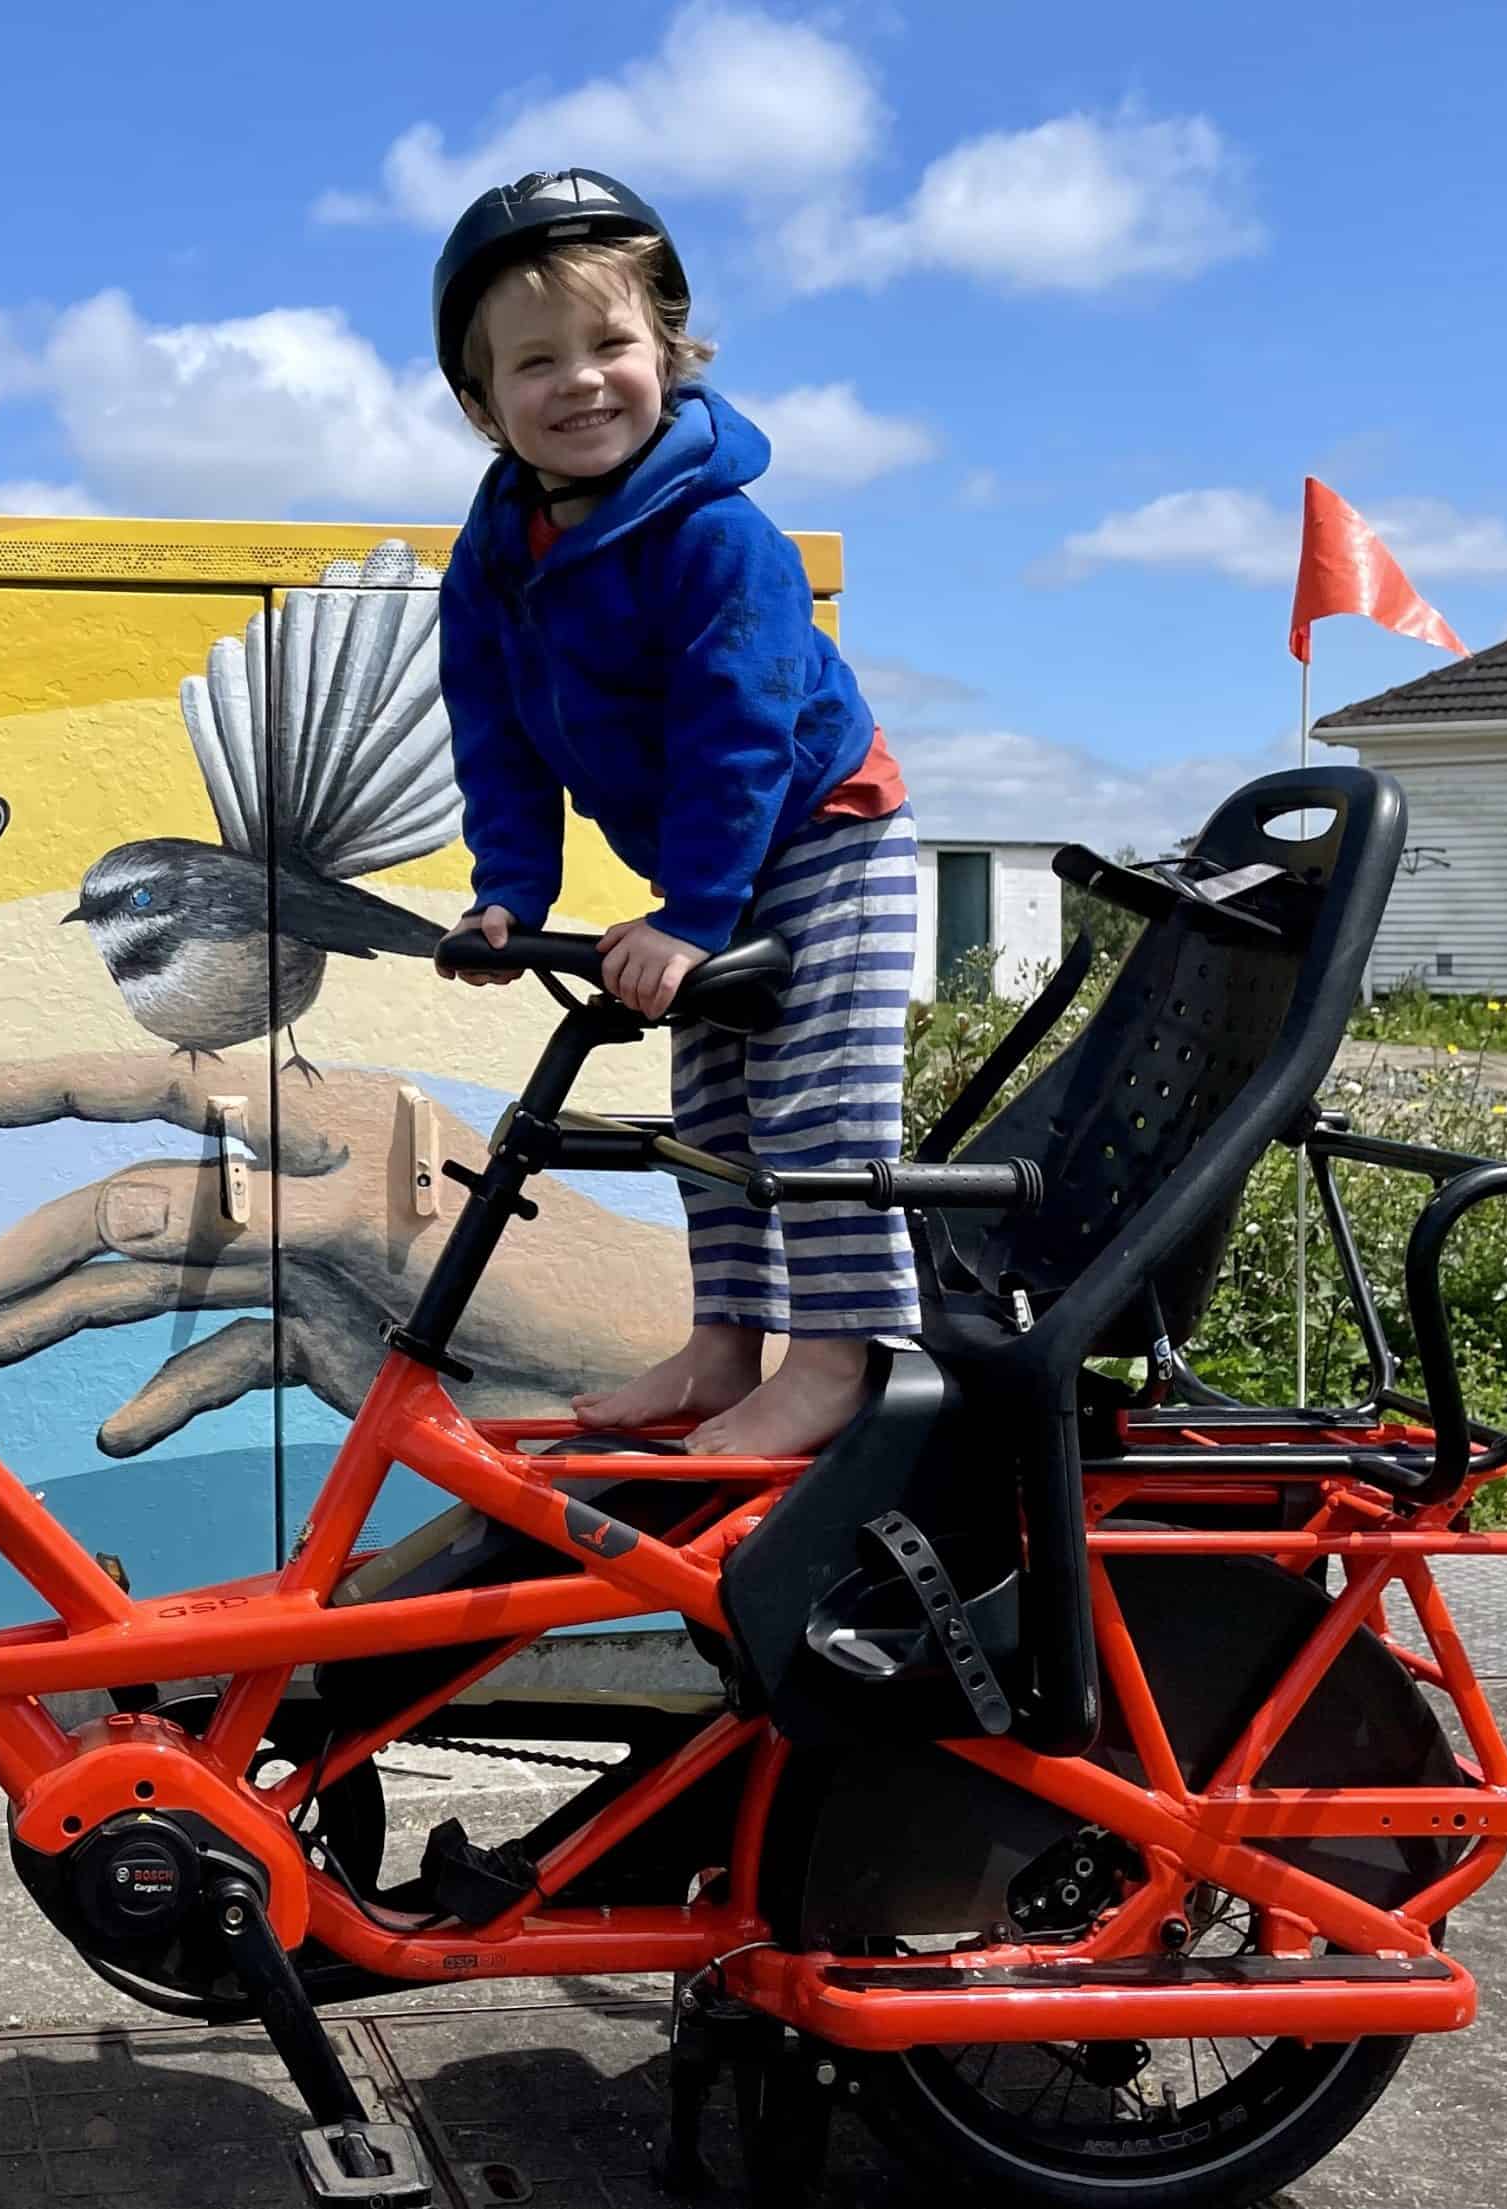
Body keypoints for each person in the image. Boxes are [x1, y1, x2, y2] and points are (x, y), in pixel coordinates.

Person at [429, 168, 918, 1458]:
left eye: (611, 344)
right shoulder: (492, 567)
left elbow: (739, 732)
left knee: (819, 1112)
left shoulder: (718, 539)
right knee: (716, 1122)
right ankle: (721, 1354)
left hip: (826, 834)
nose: (580, 379)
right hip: (713, 869)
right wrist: (510, 893)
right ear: (481, 402)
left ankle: (835, 1367)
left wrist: (696, 914)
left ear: (673, 352)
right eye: (536, 361)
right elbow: (502, 742)